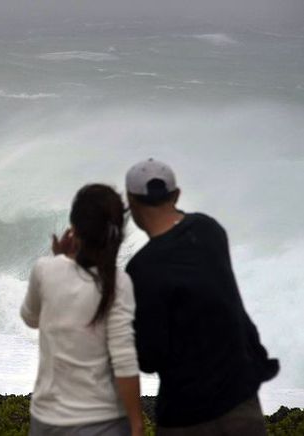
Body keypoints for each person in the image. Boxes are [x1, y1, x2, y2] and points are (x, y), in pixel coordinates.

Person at [124, 158, 279, 435]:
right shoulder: (209, 230)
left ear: (131, 203)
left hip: (185, 415)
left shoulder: (141, 269)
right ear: (177, 195)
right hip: (240, 401)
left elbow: (149, 358)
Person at [21, 184, 144, 436]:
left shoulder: (46, 270)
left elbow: (30, 318)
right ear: (116, 233)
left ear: (73, 229)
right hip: (103, 421)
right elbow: (124, 360)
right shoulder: (119, 283)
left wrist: (59, 259)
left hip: (48, 419)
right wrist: (137, 423)